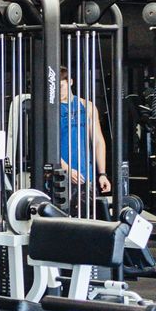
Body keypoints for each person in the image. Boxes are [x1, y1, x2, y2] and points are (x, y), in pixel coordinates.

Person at [58, 69, 110, 216]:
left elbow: (98, 141)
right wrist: (67, 170)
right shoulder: (51, 110)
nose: (58, 91)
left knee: (88, 221)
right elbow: (49, 146)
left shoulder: (87, 107)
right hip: (61, 175)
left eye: (61, 86)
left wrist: (102, 173)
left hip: (85, 175)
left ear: (70, 82)